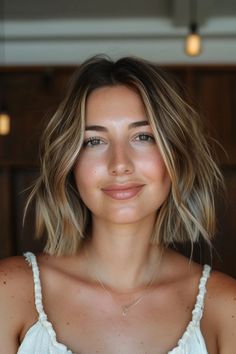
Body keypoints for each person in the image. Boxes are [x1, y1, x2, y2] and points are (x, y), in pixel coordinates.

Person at [0, 55, 236, 354]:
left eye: (143, 136)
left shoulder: (225, 308)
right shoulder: (8, 292)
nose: (120, 164)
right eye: (94, 141)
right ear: (70, 162)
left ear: (175, 156)